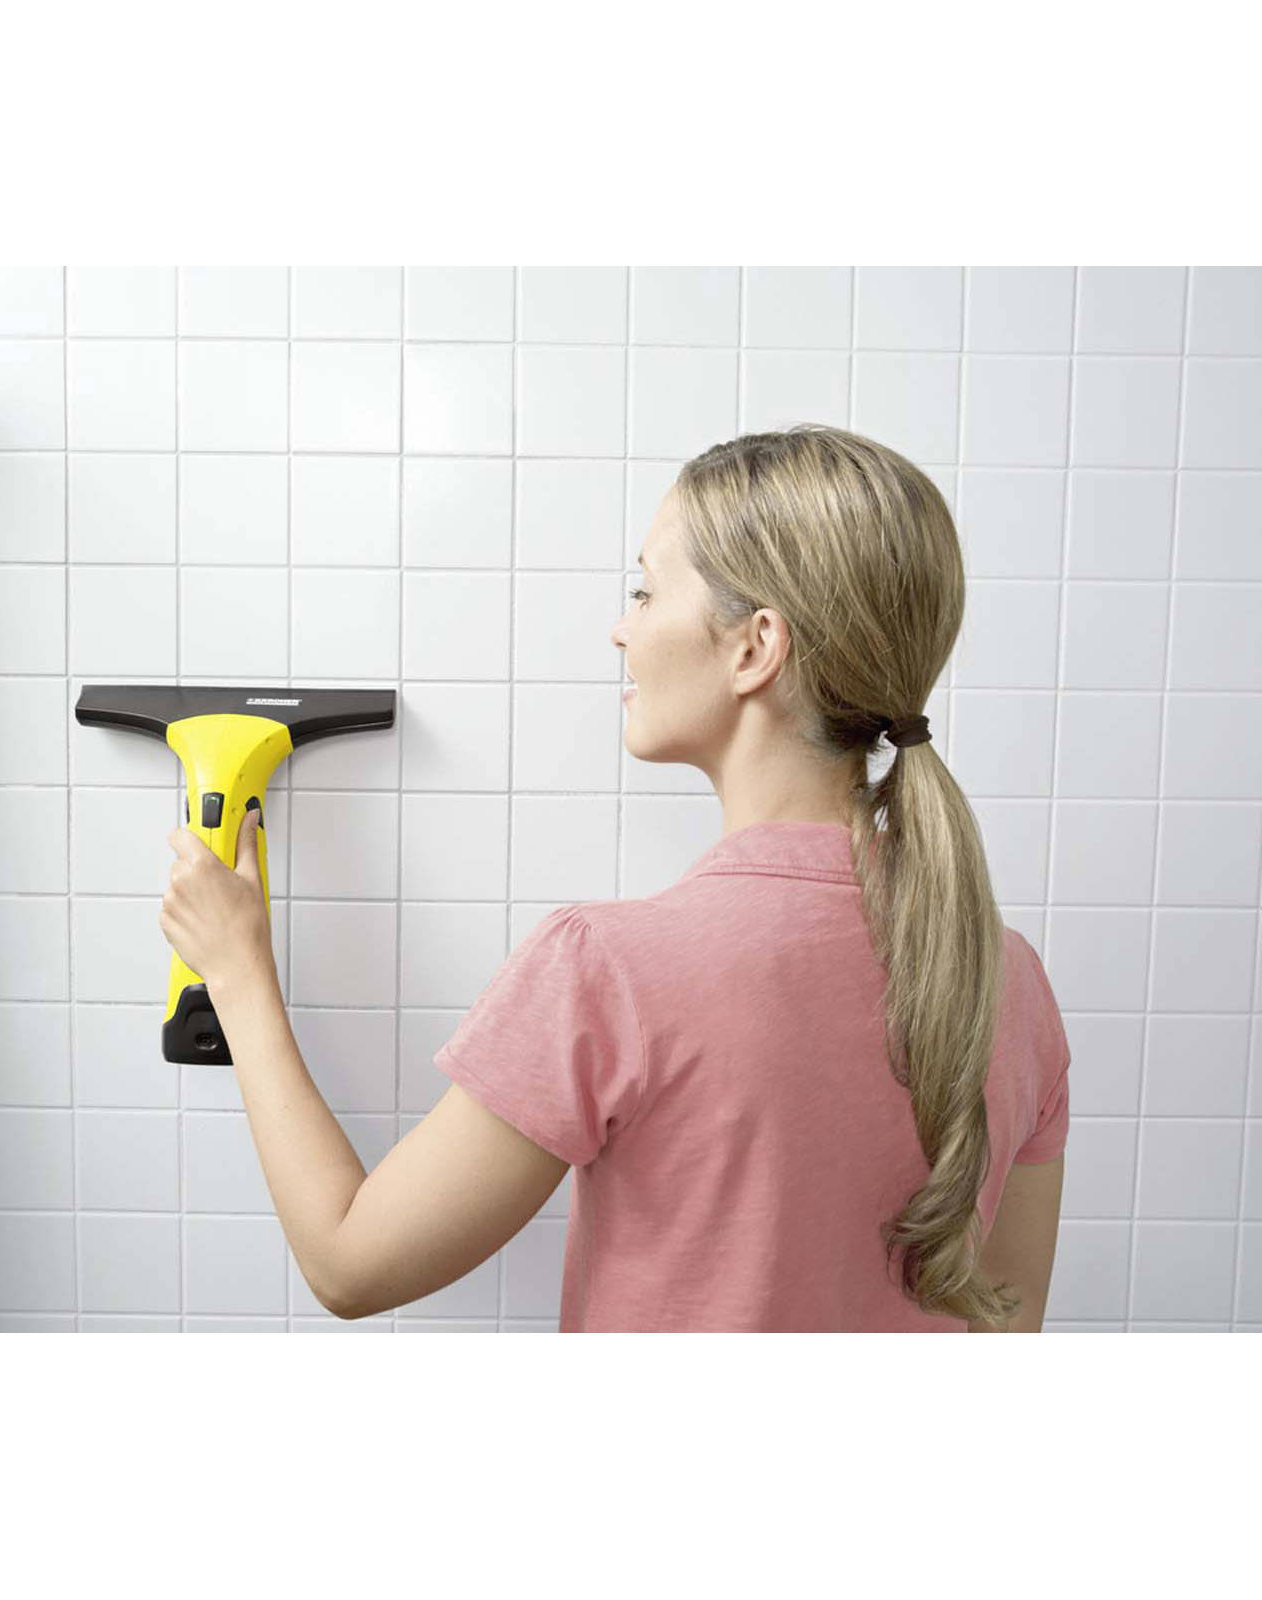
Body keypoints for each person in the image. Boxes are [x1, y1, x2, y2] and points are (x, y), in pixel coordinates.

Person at [326, 424, 1069, 1331]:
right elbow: (1009, 1325)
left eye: (644, 591)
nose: (621, 628)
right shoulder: (1009, 979)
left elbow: (348, 1267)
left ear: (755, 648)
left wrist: (238, 969)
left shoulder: (606, 969)